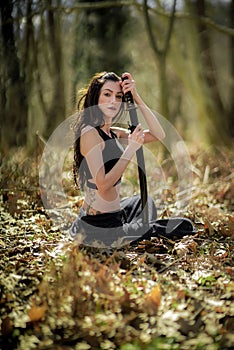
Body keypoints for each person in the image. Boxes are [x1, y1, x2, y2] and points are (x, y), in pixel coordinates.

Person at [70, 71, 165, 247]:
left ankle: (136, 227)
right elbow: (103, 184)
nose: (113, 100)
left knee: (144, 202)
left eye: (118, 96)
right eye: (107, 94)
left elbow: (158, 134)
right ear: (96, 97)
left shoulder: (113, 133)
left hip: (114, 215)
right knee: (182, 226)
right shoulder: (90, 133)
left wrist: (136, 97)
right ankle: (137, 230)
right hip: (98, 226)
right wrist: (131, 149)